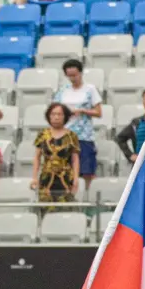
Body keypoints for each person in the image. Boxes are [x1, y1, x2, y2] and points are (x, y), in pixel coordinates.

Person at [52, 59, 101, 191]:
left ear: (80, 73)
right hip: (65, 136)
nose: (73, 78)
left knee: (86, 172)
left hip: (84, 136)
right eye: (70, 75)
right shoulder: (63, 91)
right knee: (65, 170)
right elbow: (54, 109)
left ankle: (87, 199)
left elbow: (98, 112)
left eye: (75, 75)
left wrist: (83, 111)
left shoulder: (90, 89)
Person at [31, 102, 79, 205]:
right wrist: (34, 177)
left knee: (65, 209)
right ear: (49, 116)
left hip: (65, 179)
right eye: (53, 114)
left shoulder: (72, 136)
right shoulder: (42, 135)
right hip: (46, 179)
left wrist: (75, 178)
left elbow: (75, 160)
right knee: (45, 209)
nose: (56, 117)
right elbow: (37, 158)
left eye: (59, 114)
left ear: (65, 116)